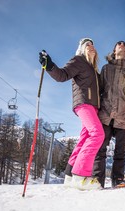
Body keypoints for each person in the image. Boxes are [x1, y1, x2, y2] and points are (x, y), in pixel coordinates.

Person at [39, 38, 104, 190]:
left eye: (93, 45)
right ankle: (81, 175)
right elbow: (62, 75)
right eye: (88, 45)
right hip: (84, 104)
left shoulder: (93, 69)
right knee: (97, 134)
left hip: (93, 107)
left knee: (85, 138)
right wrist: (49, 65)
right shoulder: (79, 61)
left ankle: (69, 175)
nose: (92, 47)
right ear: (82, 49)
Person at [93, 41, 125, 188]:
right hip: (105, 114)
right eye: (118, 44)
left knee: (121, 150)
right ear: (114, 50)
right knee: (100, 148)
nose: (122, 45)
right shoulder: (106, 69)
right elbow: (98, 89)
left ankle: (118, 179)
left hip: (124, 116)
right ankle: (97, 180)